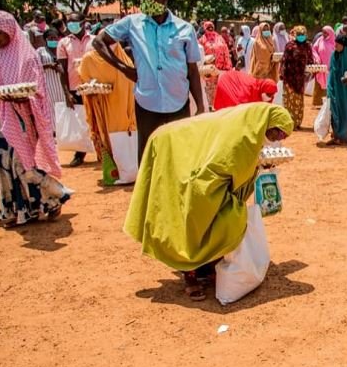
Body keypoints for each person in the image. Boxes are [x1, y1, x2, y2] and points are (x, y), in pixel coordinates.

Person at [124, 104, 294, 301]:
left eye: (282, 138)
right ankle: (190, 274)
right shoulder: (240, 137)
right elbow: (216, 170)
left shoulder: (250, 132)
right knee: (200, 218)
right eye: (276, 134)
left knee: (219, 215)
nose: (276, 140)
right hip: (173, 151)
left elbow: (236, 174)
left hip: (197, 162)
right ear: (265, 125)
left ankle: (207, 265)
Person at [93, 0, 204, 164]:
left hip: (178, 103)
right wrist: (124, 69)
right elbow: (99, 42)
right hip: (147, 103)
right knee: (148, 159)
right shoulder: (132, 23)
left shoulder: (185, 28)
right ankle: (150, 192)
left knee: (179, 156)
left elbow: (192, 70)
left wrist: (200, 105)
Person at [0, 11, 71, 227]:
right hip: (2, 117)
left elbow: (37, 89)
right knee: (3, 164)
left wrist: (20, 98)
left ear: (9, 30)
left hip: (24, 118)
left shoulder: (27, 56)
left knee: (24, 165)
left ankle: (51, 200)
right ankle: (13, 210)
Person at [78, 38, 137, 185]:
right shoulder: (90, 59)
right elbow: (84, 80)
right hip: (102, 107)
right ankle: (115, 172)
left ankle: (130, 171)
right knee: (107, 137)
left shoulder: (123, 58)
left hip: (125, 106)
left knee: (128, 137)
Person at [57, 11, 93, 167]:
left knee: (97, 120)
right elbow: (62, 69)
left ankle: (104, 153)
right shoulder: (63, 43)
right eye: (68, 22)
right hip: (74, 87)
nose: (71, 24)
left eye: (74, 21)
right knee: (80, 121)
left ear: (83, 22)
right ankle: (80, 153)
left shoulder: (94, 40)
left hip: (94, 86)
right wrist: (66, 93)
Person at [325, 34, 347, 145]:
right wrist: (329, 88)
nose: (335, 45)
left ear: (344, 45)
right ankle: (337, 135)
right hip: (336, 89)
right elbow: (331, 71)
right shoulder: (334, 55)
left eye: (338, 43)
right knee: (335, 111)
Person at [281, 25, 311, 129]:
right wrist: (282, 74)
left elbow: (311, 59)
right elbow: (284, 61)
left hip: (300, 78)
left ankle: (297, 122)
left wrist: (310, 69)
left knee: (299, 101)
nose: (301, 36)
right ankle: (289, 122)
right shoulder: (290, 45)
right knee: (289, 100)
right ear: (295, 35)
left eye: (303, 34)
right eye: (299, 34)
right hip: (289, 77)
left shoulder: (307, 45)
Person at [36, 28, 67, 127]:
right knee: (52, 107)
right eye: (50, 38)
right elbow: (35, 67)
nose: (53, 40)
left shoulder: (62, 48)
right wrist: (49, 66)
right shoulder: (40, 51)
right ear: (45, 39)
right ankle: (55, 130)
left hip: (62, 83)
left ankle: (65, 129)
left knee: (65, 105)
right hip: (49, 84)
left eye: (55, 38)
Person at [198, 21, 233, 109]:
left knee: (220, 87)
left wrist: (228, 66)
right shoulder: (202, 40)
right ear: (205, 28)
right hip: (209, 70)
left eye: (211, 26)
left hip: (221, 69)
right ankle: (211, 107)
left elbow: (226, 51)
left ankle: (219, 106)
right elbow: (200, 54)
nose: (210, 28)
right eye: (208, 26)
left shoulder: (220, 38)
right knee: (210, 89)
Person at [214, 71, 278, 110]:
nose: (270, 97)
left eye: (272, 95)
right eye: (268, 94)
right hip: (227, 81)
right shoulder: (251, 90)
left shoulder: (267, 93)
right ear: (263, 90)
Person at [312, 26, 335, 107]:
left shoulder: (334, 42)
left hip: (330, 67)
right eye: (323, 32)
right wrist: (317, 59)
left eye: (326, 32)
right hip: (320, 66)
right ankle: (317, 102)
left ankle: (327, 103)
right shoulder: (320, 40)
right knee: (319, 83)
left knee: (329, 84)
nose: (324, 34)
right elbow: (314, 49)